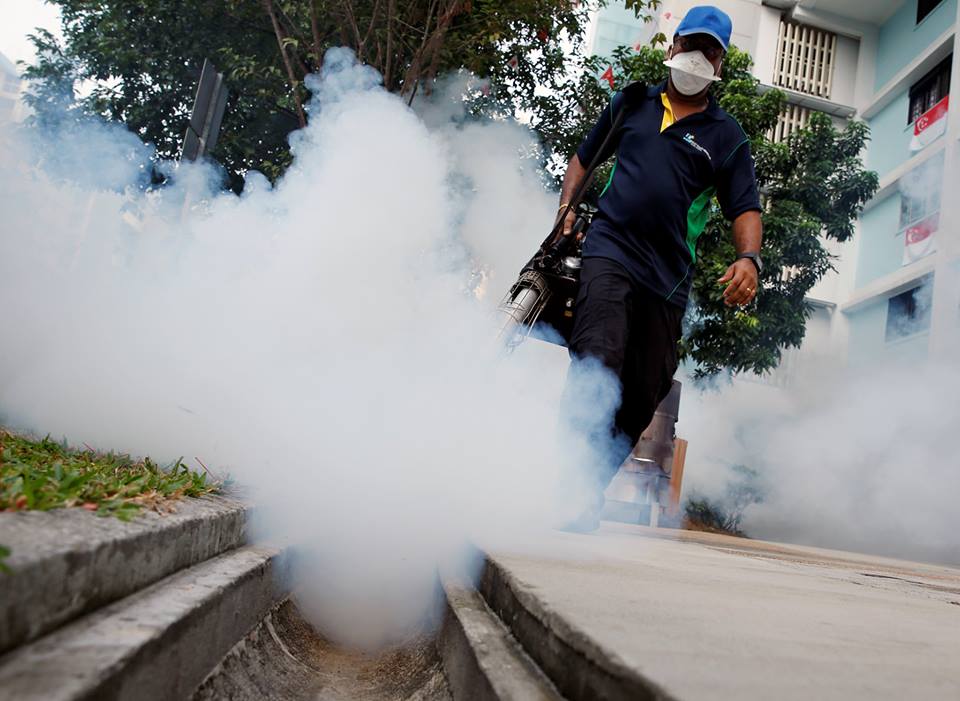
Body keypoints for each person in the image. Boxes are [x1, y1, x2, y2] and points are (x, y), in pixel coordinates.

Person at [557, 5, 763, 532]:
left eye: (710, 50)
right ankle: (568, 486)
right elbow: (584, 159)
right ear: (671, 47)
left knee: (644, 392)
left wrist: (748, 258)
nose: (697, 56)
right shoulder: (632, 102)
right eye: (691, 44)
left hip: (667, 278)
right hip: (610, 247)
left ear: (721, 63)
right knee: (597, 359)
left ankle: (589, 485)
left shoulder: (726, 136)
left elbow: (745, 208)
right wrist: (565, 210)